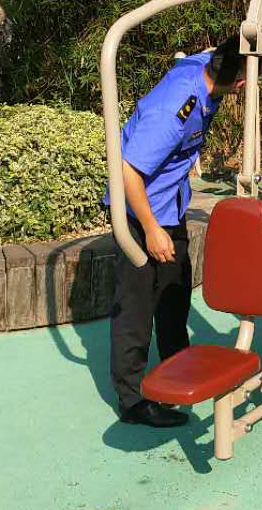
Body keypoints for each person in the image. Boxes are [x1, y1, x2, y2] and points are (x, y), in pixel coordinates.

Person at [108, 36, 252, 428]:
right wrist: (151, 230)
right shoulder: (173, 109)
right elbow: (127, 170)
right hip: (142, 213)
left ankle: (176, 372)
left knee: (174, 294)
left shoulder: (204, 67)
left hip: (169, 207)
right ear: (239, 83)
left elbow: (223, 52)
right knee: (136, 308)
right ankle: (133, 401)